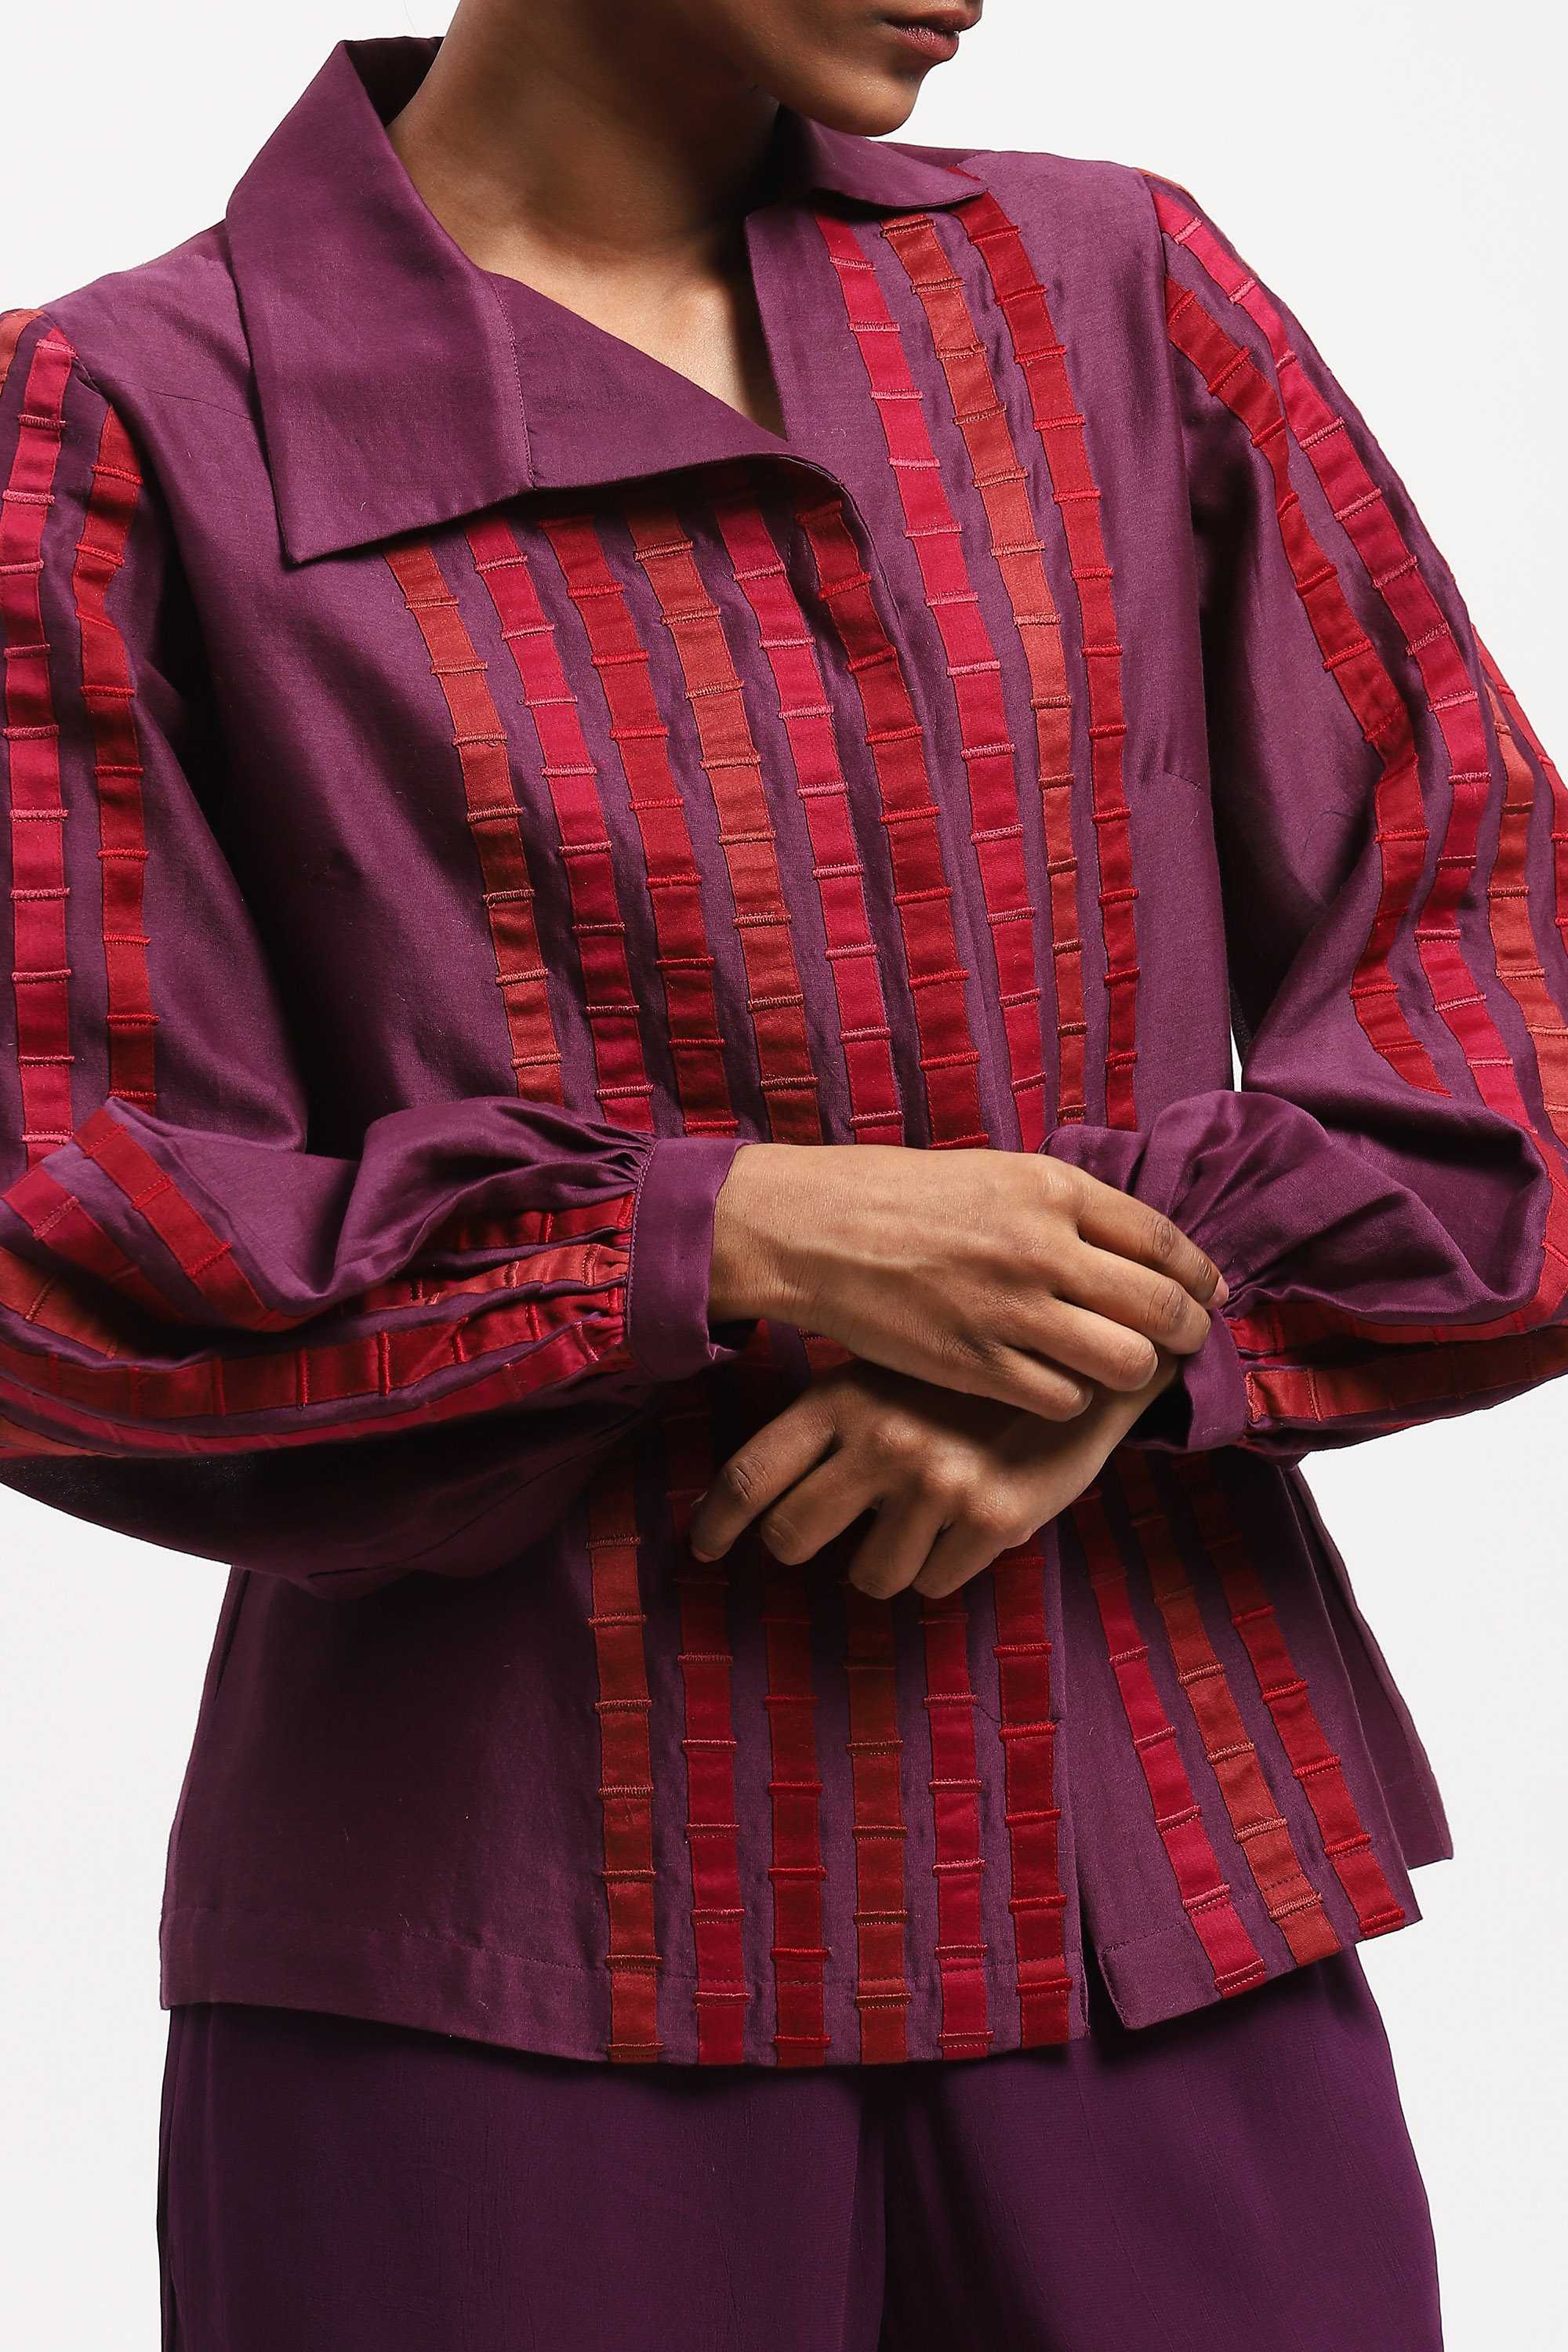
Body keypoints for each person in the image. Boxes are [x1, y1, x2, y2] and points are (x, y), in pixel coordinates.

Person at [2, 1, 1560, 2342]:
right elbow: (57, 1237)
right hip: (497, 1955)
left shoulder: (1118, 296)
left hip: (1160, 1882)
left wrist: (1118, 1335)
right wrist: (716, 1233)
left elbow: (1509, 990)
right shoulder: (133, 415)